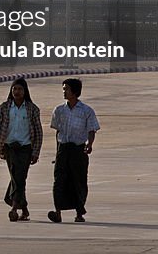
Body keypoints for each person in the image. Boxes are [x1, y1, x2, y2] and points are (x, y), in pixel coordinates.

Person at [0, 78, 43, 222]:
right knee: (17, 177)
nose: (17, 92)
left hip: (25, 148)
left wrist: (36, 152)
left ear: (25, 91)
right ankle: (23, 209)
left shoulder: (32, 109)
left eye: (20, 89)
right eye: (14, 89)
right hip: (9, 148)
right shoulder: (4, 108)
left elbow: (38, 132)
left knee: (19, 177)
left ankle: (13, 208)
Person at [48, 78, 100, 223]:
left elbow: (91, 130)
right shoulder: (59, 110)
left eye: (67, 89)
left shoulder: (86, 111)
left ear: (75, 92)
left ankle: (79, 213)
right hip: (63, 149)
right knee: (59, 181)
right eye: (63, 89)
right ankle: (58, 212)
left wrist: (89, 144)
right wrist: (57, 151)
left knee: (79, 180)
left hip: (78, 150)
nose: (64, 92)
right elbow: (58, 132)